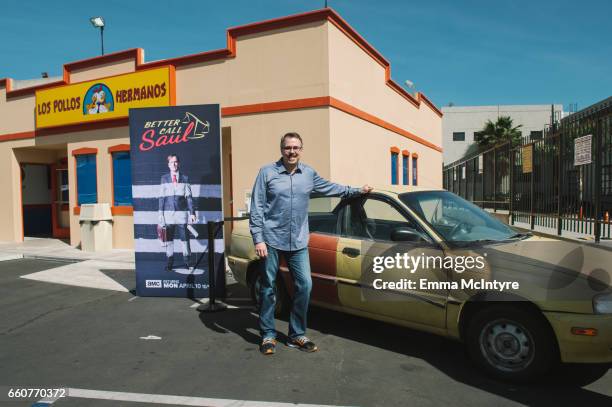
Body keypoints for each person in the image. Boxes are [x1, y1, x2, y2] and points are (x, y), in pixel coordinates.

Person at [249, 132, 372, 355]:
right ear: (281, 149)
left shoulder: (308, 174)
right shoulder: (267, 173)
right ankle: (268, 334)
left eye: (296, 147)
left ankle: (296, 334)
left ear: (301, 150)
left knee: (305, 285)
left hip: (298, 241)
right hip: (271, 240)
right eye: (288, 148)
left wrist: (357, 191)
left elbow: (332, 188)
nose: (292, 151)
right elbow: (256, 207)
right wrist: (258, 238)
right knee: (268, 288)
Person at [158, 154, 197, 272]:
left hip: (182, 215)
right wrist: (160, 214)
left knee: (185, 239)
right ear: (168, 164)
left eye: (176, 162)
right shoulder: (164, 179)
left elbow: (189, 197)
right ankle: (170, 262)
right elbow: (161, 198)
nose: (174, 164)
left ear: (178, 163)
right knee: (168, 239)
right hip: (168, 215)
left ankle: (187, 261)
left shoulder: (185, 178)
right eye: (171, 162)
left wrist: (192, 213)